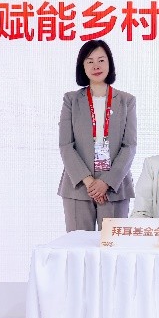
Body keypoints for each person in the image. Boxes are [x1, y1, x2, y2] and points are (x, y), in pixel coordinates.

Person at [58, 39, 137, 231]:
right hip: (78, 186)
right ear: (82, 66)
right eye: (90, 61)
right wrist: (89, 182)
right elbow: (66, 145)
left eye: (101, 60)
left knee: (113, 245)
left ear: (110, 63)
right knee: (78, 245)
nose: (96, 66)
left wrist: (106, 182)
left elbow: (129, 146)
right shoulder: (71, 100)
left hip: (115, 187)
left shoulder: (126, 100)